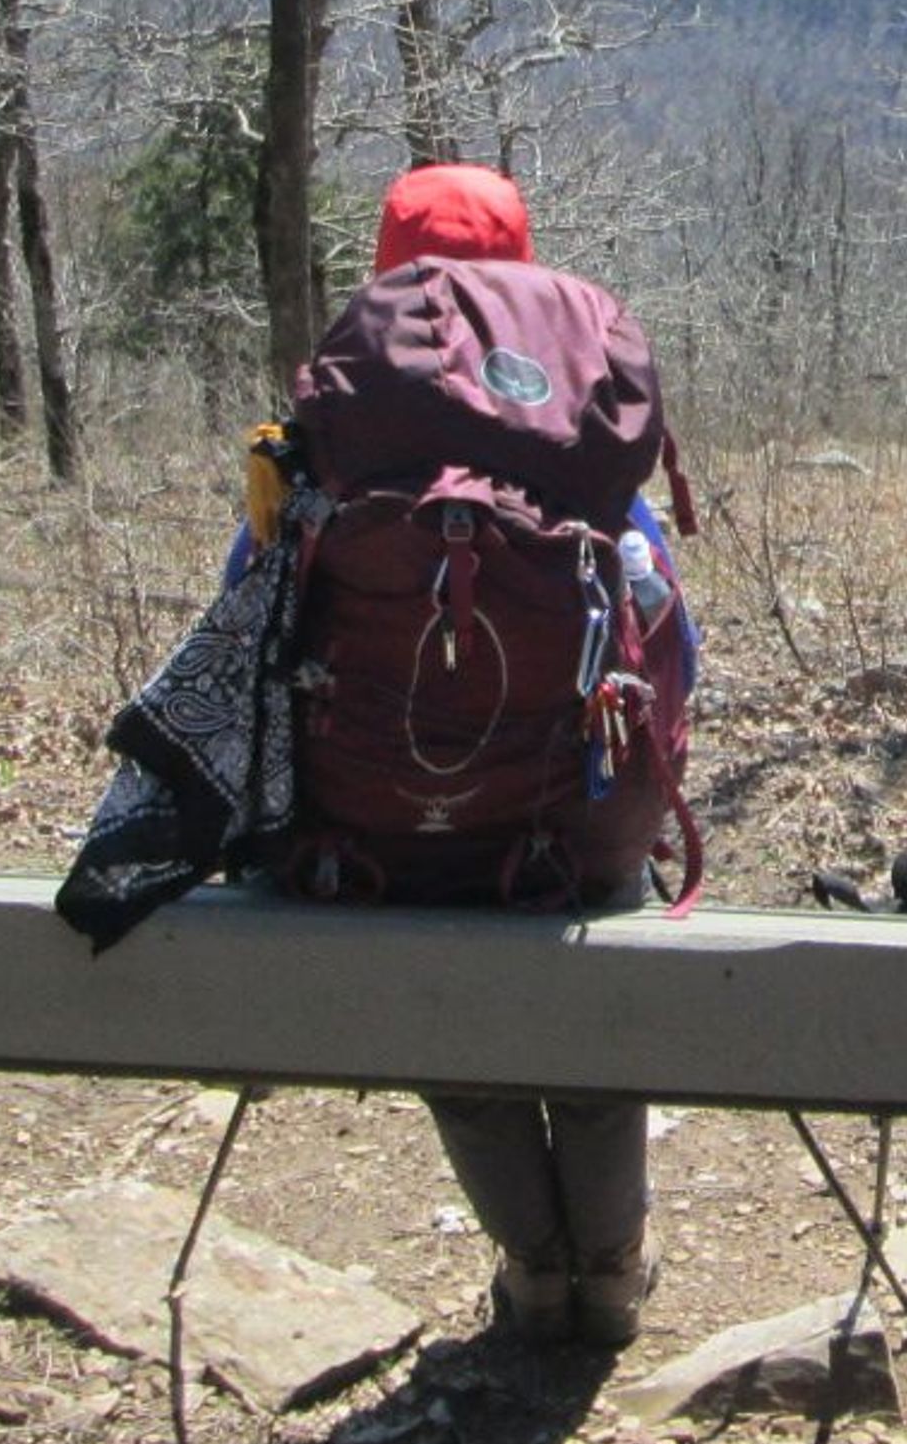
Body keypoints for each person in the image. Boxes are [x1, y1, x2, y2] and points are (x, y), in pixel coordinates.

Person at [276, 162, 688, 1351]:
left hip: (384, 829)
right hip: (574, 825)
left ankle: (532, 1268)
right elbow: (673, 647)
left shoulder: (340, 446)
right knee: (601, 1006)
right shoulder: (584, 464)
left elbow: (255, 624)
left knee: (449, 1016)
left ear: (385, 271)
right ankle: (609, 1272)